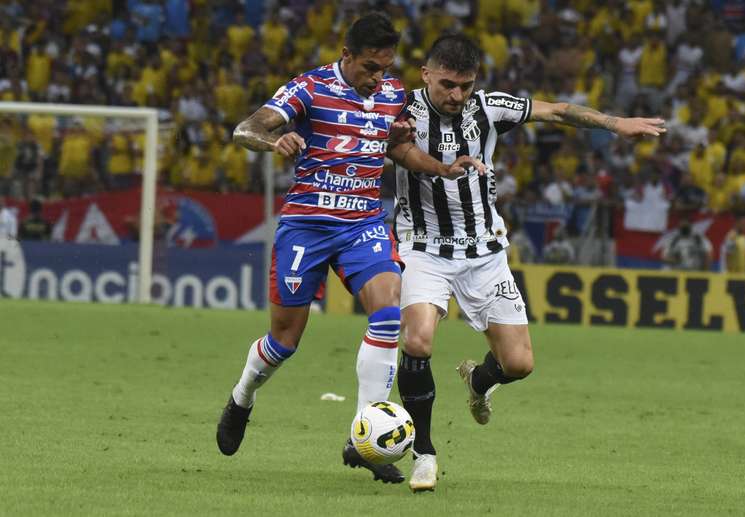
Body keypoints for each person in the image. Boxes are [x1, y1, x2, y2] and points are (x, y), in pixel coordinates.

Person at [215, 14, 483, 484]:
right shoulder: (309, 88)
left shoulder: (392, 94)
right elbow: (246, 129)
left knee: (387, 313)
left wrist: (440, 168)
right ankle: (242, 397)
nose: (378, 78)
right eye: (369, 68)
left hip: (363, 223)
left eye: (385, 68)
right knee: (284, 341)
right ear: (346, 56)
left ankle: (364, 440)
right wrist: (275, 138)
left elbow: (394, 149)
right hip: (306, 226)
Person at [393, 34, 666, 492]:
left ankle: (479, 381)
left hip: (484, 252)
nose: (456, 95)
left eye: (465, 85)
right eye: (447, 85)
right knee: (418, 340)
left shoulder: (488, 108)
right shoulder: (400, 109)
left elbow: (557, 111)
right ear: (426, 75)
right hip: (423, 246)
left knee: (518, 364)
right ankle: (424, 452)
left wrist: (616, 124)